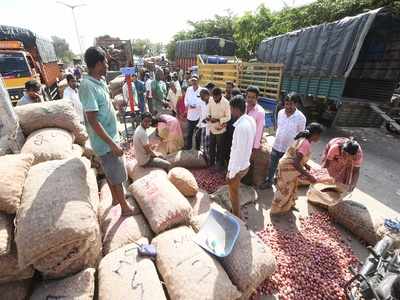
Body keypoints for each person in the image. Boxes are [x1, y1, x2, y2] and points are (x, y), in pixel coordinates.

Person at [79, 46, 133, 216]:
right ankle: (124, 207)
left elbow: (102, 108)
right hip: (105, 142)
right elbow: (93, 121)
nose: (108, 66)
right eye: (106, 63)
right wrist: (112, 144)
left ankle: (116, 199)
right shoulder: (87, 86)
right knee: (116, 174)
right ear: (98, 64)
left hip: (111, 136)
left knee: (110, 172)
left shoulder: (100, 82)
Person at [271, 123, 324, 215]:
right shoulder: (305, 143)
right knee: (284, 190)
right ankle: (276, 211)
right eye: (319, 135)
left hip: (288, 167)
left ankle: (288, 206)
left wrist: (305, 165)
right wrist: (308, 176)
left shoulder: (303, 139)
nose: (319, 138)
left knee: (292, 187)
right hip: (288, 169)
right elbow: (295, 163)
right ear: (315, 134)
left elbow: (296, 155)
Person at [261, 92, 306, 189]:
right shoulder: (281, 113)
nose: (288, 106)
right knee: (272, 165)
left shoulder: (301, 117)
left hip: (289, 149)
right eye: (287, 104)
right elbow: (278, 126)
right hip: (277, 145)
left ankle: (279, 184)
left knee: (283, 169)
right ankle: (269, 181)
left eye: (291, 104)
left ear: (296, 104)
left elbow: (301, 136)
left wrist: (296, 151)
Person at [227, 95, 256, 218]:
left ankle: (237, 216)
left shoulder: (241, 127)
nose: (230, 112)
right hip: (245, 164)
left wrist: (231, 173)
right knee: (234, 191)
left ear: (236, 109)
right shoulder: (250, 120)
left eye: (231, 109)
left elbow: (238, 152)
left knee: (234, 192)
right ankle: (235, 212)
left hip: (238, 167)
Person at [241, 86, 265, 185]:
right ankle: (240, 180)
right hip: (241, 140)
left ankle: (247, 183)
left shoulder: (260, 112)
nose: (250, 99)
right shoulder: (243, 106)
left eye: (253, 97)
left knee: (249, 163)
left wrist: (255, 147)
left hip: (250, 143)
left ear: (257, 98)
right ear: (246, 97)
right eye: (248, 97)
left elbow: (259, 130)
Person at [208, 87, 231, 169]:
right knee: (211, 147)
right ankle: (211, 163)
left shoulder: (226, 103)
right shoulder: (211, 100)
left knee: (220, 148)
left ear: (220, 95)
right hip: (212, 128)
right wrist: (209, 117)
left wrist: (218, 120)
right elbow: (209, 111)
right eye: (213, 97)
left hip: (221, 129)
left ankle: (219, 164)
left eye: (216, 97)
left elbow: (228, 117)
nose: (214, 99)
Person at [184, 74, 202, 150]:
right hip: (190, 115)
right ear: (191, 81)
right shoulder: (188, 89)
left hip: (198, 115)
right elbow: (186, 100)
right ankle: (189, 147)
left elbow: (202, 101)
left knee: (198, 134)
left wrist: (196, 105)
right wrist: (188, 105)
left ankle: (197, 148)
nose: (194, 82)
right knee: (189, 133)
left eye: (195, 80)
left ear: (198, 81)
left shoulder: (201, 90)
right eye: (193, 80)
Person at [198, 88, 210, 162]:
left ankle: (209, 160)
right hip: (203, 126)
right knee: (203, 143)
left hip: (210, 127)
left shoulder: (212, 102)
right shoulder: (202, 103)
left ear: (207, 95)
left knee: (208, 144)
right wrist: (199, 124)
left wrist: (207, 120)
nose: (201, 98)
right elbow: (201, 114)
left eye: (202, 96)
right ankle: (204, 158)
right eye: (201, 97)